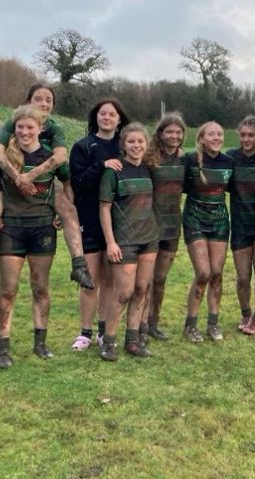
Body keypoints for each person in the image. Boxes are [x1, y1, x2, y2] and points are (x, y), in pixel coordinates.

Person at [0, 84, 92, 309]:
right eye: (38, 99)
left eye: (48, 100)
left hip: (43, 181)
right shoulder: (15, 121)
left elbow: (60, 156)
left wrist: (31, 175)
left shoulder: (55, 128)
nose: (44, 103)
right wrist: (18, 176)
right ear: (28, 101)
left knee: (69, 210)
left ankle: (79, 265)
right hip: (11, 180)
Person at [0, 105, 70, 368]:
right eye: (20, 127)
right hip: (11, 229)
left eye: (30, 127)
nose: (25, 131)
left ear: (40, 129)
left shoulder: (49, 156)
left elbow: (67, 183)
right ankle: (3, 347)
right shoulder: (3, 155)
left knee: (40, 287)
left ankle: (40, 343)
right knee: (8, 290)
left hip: (42, 228)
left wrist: (61, 213)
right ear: (14, 128)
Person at [70, 99, 129, 350]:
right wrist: (101, 166)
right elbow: (78, 183)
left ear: (119, 119)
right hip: (89, 219)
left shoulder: (124, 146)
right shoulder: (83, 146)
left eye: (112, 114)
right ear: (96, 117)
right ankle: (85, 332)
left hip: (118, 221)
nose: (107, 117)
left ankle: (104, 331)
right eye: (102, 114)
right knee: (90, 279)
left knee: (109, 280)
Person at [98, 123, 161, 361]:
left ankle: (132, 340)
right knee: (123, 292)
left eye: (140, 142)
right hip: (124, 241)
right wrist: (110, 242)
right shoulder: (113, 171)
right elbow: (104, 209)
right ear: (123, 144)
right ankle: (108, 341)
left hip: (149, 239)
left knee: (142, 290)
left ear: (146, 144)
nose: (136, 146)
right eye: (131, 141)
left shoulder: (148, 169)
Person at [181, 121, 234, 342]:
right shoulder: (190, 160)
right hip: (195, 218)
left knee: (217, 274)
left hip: (220, 220)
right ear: (202, 138)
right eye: (211, 134)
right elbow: (178, 186)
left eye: (220, 134)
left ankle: (213, 323)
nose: (216, 137)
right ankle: (190, 324)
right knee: (203, 273)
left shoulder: (229, 162)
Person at [142, 113, 186, 342]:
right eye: (169, 131)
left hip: (172, 226)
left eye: (178, 132)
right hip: (150, 225)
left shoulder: (184, 159)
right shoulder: (148, 158)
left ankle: (153, 323)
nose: (174, 135)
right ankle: (138, 325)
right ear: (160, 133)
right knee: (145, 280)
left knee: (160, 279)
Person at [226, 116, 255, 334]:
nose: (246, 139)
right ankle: (245, 312)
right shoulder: (231, 157)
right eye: (243, 134)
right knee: (243, 277)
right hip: (240, 225)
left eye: (251, 135)